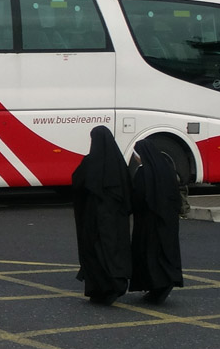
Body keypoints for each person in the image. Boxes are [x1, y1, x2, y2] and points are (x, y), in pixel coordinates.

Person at [72, 126, 133, 305]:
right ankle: (116, 283)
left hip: (94, 216)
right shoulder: (119, 164)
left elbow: (77, 183)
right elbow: (129, 192)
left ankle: (99, 287)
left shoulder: (90, 163)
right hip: (116, 218)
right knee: (113, 250)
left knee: (94, 250)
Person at [128, 139, 184, 304]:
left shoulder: (143, 173)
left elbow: (138, 198)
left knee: (150, 255)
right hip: (168, 222)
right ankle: (167, 282)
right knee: (166, 253)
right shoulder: (166, 169)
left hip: (148, 224)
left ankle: (155, 287)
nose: (136, 158)